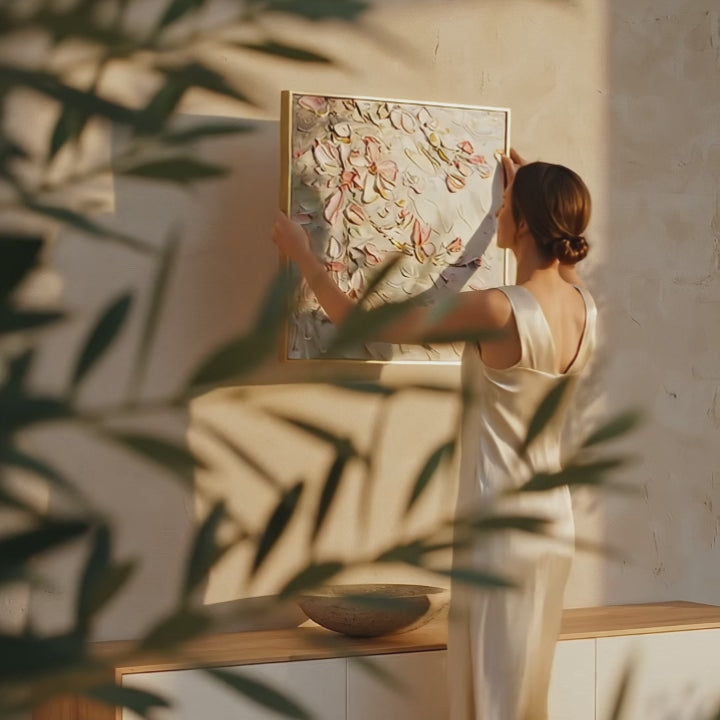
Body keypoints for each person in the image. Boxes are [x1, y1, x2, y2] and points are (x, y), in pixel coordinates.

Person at [272, 148, 597, 720]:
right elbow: (557, 275)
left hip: (500, 527)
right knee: (524, 685)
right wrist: (525, 194)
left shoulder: (496, 310)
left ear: (524, 223)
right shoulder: (585, 308)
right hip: (553, 523)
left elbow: (363, 324)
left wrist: (303, 256)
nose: (496, 213)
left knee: (493, 689)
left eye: (505, 208)